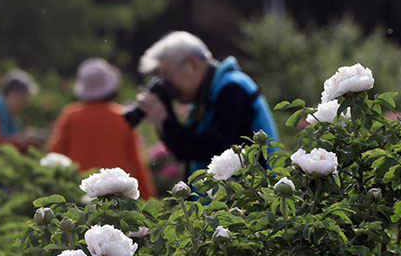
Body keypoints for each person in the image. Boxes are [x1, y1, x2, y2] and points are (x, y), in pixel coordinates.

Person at [135, 31, 278, 177]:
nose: (165, 84)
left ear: (193, 64)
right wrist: (164, 118)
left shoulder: (233, 88)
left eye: (167, 74)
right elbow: (186, 149)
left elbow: (213, 149)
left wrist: (164, 120)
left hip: (255, 196)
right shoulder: (207, 96)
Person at [48, 58, 157, 199]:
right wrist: (149, 198)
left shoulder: (71, 115)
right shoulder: (123, 117)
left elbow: (55, 156)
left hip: (77, 192)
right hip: (115, 196)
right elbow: (136, 162)